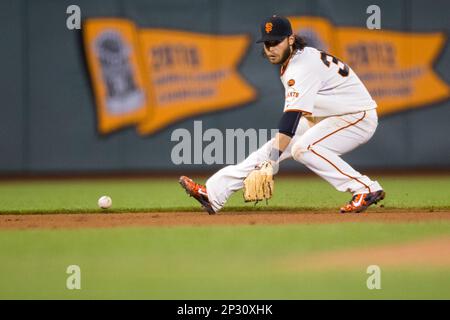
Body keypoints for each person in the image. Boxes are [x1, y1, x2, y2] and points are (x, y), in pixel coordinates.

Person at [179, 15, 385, 214]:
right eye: (267, 43)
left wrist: (272, 162)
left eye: (276, 42)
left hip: (356, 117)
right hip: (331, 115)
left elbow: (290, 120)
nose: (271, 48)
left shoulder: (300, 67)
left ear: (291, 39)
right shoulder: (297, 59)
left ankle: (365, 188)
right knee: (268, 151)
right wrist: (271, 158)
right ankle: (213, 194)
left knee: (303, 149)